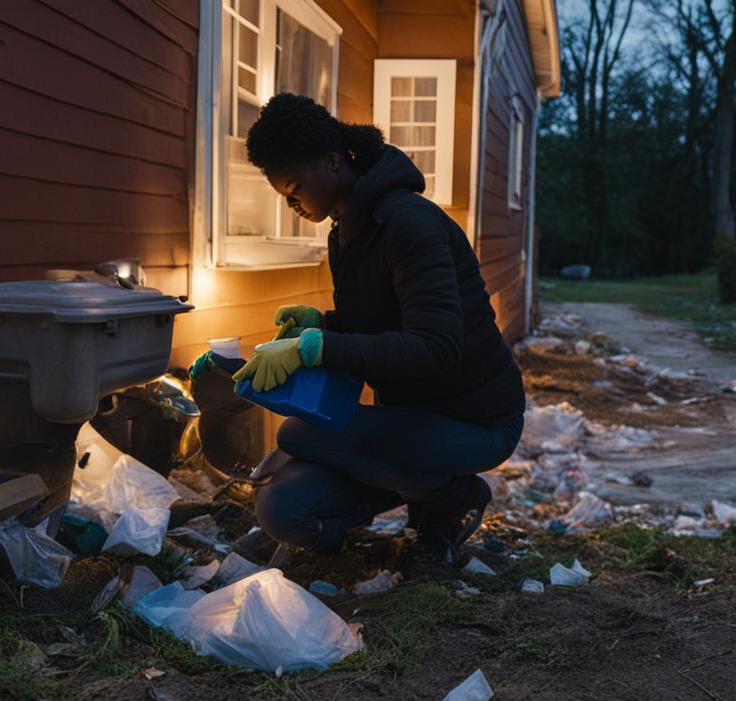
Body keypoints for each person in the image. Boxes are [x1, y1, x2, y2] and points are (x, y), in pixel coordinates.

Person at [190, 93, 525, 567]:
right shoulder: (347, 228)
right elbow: (378, 324)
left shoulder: (410, 223)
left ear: (330, 163)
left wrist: (319, 347)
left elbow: (436, 346)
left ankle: (453, 500)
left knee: (301, 436)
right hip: (408, 416)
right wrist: (319, 325)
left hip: (476, 419)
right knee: (283, 508)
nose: (292, 206)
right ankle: (346, 530)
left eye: (294, 189)